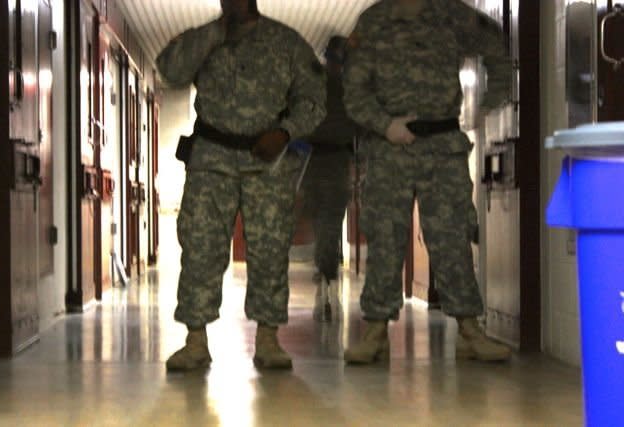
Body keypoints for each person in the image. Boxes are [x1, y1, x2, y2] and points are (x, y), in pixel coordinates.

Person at [156, 0, 326, 371]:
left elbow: (314, 100)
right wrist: (216, 32)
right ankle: (195, 340)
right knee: (200, 247)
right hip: (211, 159)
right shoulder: (204, 39)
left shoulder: (287, 43)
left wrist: (285, 132)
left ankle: (268, 339)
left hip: (266, 161)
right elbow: (169, 70)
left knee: (269, 248)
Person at [342, 0, 512, 363]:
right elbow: (354, 91)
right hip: (391, 145)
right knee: (385, 238)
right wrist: (385, 125)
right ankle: (375, 329)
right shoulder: (373, 21)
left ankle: (469, 329)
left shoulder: (451, 14)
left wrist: (492, 99)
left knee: (452, 237)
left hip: (442, 144)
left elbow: (495, 43)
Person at [300, 36, 356, 320]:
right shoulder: (348, 89)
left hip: (320, 163)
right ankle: (326, 274)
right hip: (327, 163)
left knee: (326, 225)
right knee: (327, 225)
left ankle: (326, 275)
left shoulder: (317, 87)